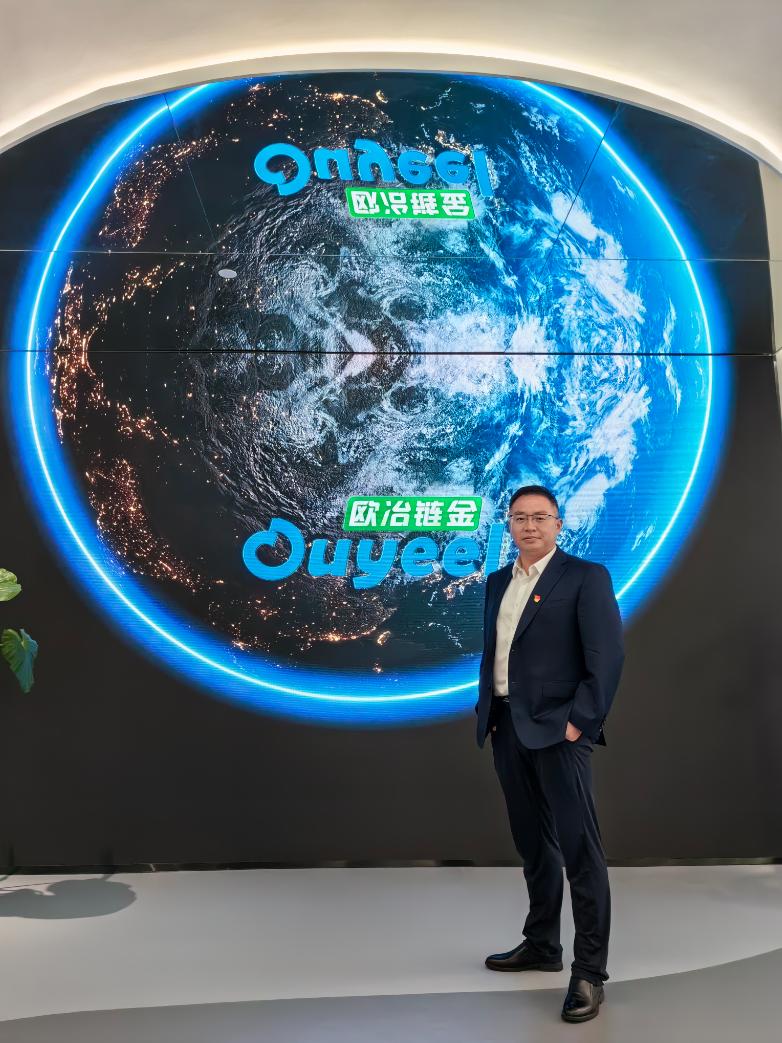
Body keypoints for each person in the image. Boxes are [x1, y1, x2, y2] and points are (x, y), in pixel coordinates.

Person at [475, 485, 624, 1024]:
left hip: (560, 733)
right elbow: (498, 654)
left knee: (580, 852)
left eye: (540, 517)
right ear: (509, 525)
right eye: (520, 518)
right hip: (507, 728)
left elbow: (607, 657)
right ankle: (542, 943)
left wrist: (578, 722)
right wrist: (490, 715)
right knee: (534, 846)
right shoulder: (497, 582)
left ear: (559, 524)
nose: (530, 526)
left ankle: (589, 973)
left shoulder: (585, 577)